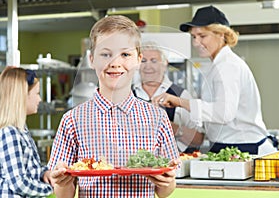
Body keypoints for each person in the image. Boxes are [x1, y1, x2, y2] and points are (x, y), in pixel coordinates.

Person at [48, 15, 179, 198]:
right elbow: (64, 194)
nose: (115, 63)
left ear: (138, 59)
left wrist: (167, 182)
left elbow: (165, 191)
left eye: (125, 54)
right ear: (92, 59)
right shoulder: (72, 120)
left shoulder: (158, 118)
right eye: (105, 54)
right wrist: (61, 183)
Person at [153, 5, 278, 156]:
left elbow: (223, 113)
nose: (196, 42)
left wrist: (179, 102)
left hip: (243, 148)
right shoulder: (218, 65)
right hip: (230, 147)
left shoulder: (227, 66)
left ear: (221, 35)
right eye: (194, 37)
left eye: (202, 36)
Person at [132, 41, 205, 153]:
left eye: (154, 61)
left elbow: (198, 139)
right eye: (143, 61)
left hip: (173, 164)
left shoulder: (181, 95)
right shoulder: (128, 95)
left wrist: (169, 126)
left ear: (165, 63)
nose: (148, 66)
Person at [0, 67, 53, 197]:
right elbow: (18, 183)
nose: (40, 99)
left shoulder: (21, 130)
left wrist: (44, 173)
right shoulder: (9, 133)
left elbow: (29, 170)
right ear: (22, 96)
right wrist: (50, 190)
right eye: (37, 93)